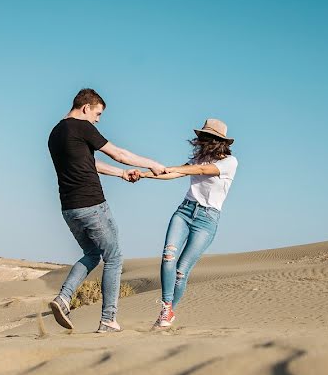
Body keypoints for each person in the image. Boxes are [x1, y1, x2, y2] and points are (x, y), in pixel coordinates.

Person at [47, 88, 166, 333]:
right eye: (97, 113)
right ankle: (108, 320)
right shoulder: (82, 126)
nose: (98, 119)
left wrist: (121, 174)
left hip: (69, 209)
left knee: (91, 254)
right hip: (92, 204)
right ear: (85, 107)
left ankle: (63, 299)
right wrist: (152, 164)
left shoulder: (55, 133)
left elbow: (89, 164)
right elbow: (119, 154)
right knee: (114, 258)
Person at [141, 119, 238, 330]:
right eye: (201, 137)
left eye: (206, 138)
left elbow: (201, 172)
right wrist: (144, 174)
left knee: (181, 271)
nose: (201, 141)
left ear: (218, 141)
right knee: (168, 255)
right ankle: (166, 307)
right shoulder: (198, 159)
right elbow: (174, 174)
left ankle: (168, 313)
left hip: (207, 219)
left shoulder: (229, 162)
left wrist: (175, 168)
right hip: (184, 211)